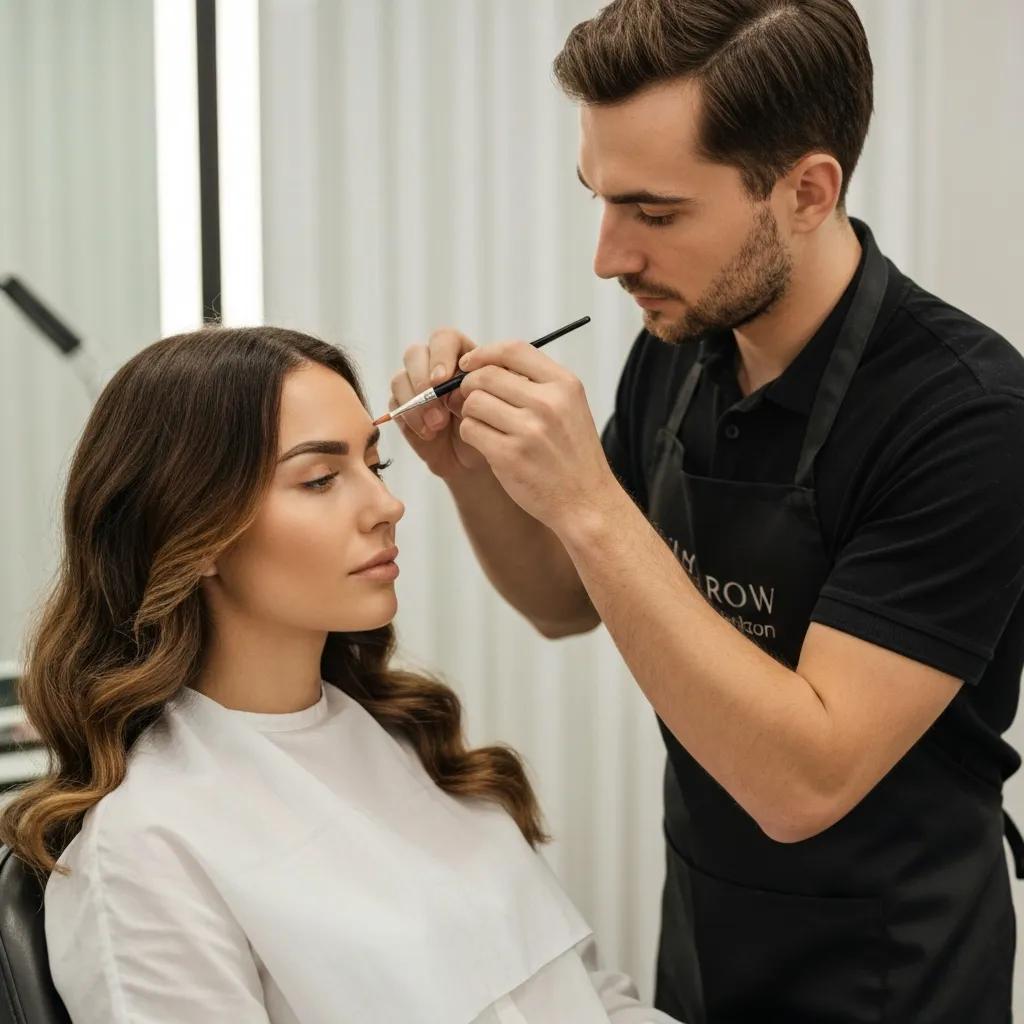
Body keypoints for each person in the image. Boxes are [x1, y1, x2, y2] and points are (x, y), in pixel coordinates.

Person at [388, 1, 1024, 1021]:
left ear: (807, 192)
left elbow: (802, 783)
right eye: (598, 200)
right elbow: (561, 599)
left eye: (655, 211)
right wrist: (469, 468)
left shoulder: (966, 415)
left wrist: (590, 502)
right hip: (704, 931)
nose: (608, 256)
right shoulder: (680, 353)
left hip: (892, 969)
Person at [0, 326, 680, 1024]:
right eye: (320, 478)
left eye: (375, 465)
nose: (388, 506)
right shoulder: (145, 851)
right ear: (191, 530)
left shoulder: (411, 742)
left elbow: (594, 1000)